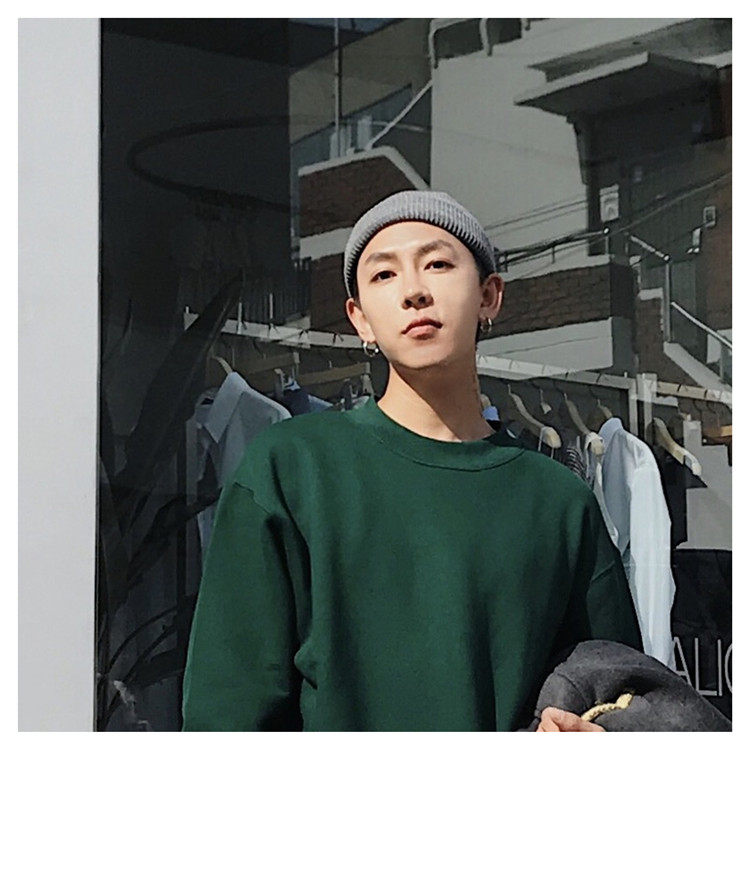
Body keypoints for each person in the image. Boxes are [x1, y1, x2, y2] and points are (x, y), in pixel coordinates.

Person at [181, 190, 642, 732]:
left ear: (489, 296)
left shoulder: (559, 500)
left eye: (438, 264)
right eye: (384, 275)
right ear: (360, 319)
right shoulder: (292, 468)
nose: (414, 291)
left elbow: (619, 697)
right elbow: (226, 712)